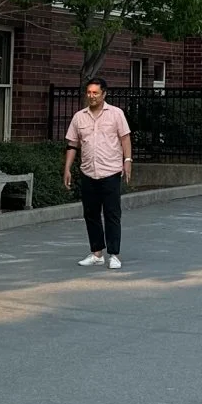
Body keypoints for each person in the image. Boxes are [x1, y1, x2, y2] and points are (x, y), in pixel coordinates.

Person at [63, 80, 133, 270]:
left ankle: (114, 254)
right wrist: (67, 168)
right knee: (91, 214)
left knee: (112, 214)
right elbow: (72, 144)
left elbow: (125, 138)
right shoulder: (79, 117)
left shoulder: (116, 114)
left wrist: (127, 161)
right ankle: (96, 253)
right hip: (88, 172)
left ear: (104, 94)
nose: (91, 96)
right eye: (89, 92)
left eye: (95, 93)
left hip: (110, 172)